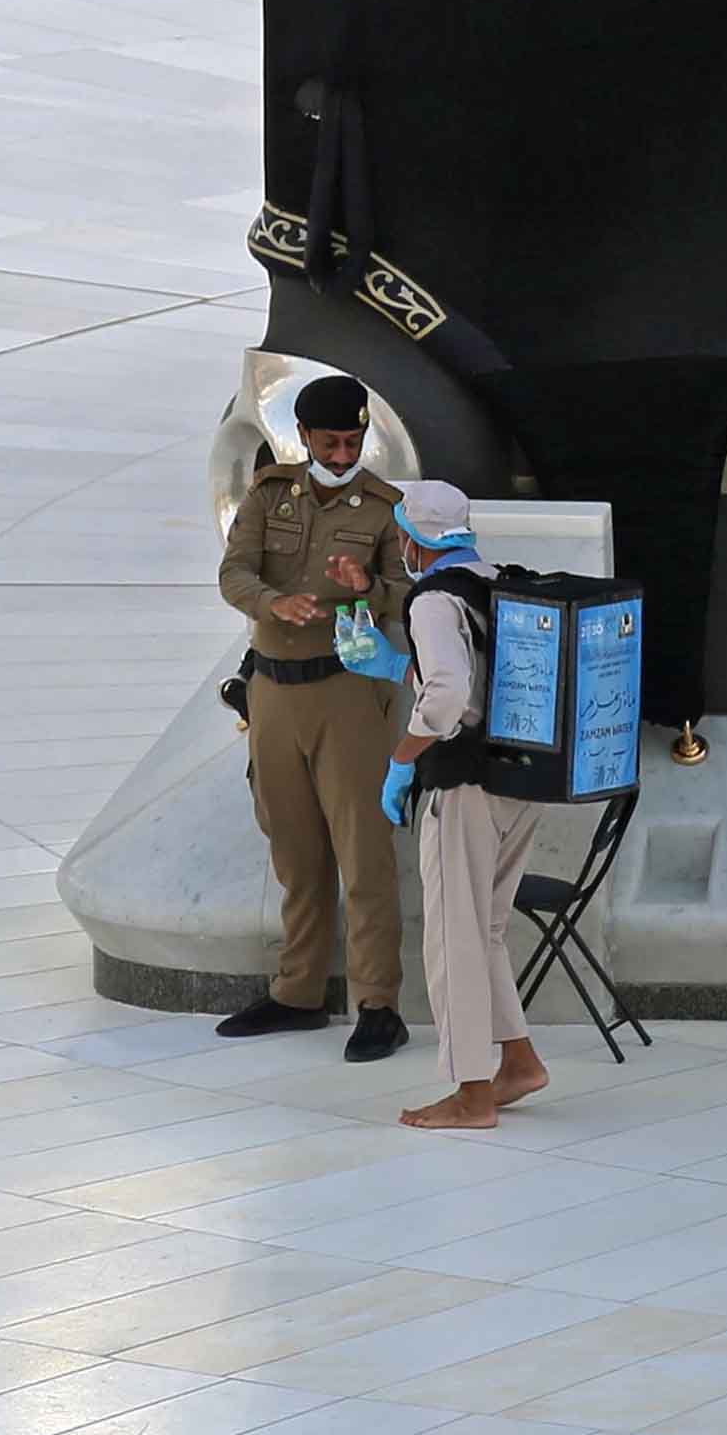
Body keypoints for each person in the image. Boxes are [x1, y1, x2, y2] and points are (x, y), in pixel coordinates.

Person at [214, 372, 414, 1061]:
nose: (340, 452)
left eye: (351, 440)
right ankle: (297, 992)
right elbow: (233, 573)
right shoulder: (270, 495)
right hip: (273, 691)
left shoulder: (387, 509)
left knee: (363, 854)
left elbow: (409, 593)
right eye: (328, 441)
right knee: (293, 849)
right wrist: (272, 603)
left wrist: (369, 589)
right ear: (302, 437)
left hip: (348, 691)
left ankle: (378, 1004)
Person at [373, 480, 554, 1131]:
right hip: (520, 780)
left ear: (411, 539)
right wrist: (396, 666)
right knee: (487, 931)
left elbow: (448, 696)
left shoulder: (430, 599)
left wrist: (401, 759)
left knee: (455, 935)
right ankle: (520, 1063)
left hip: (465, 785)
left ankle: (472, 1094)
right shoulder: (496, 580)